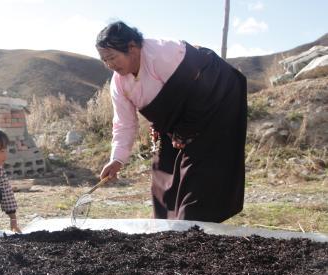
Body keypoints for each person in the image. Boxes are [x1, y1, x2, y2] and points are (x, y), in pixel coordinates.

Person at [97, 21, 247, 223]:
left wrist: (184, 131)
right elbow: (124, 124)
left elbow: (201, 87)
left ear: (132, 47)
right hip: (176, 120)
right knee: (164, 175)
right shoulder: (118, 83)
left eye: (113, 57)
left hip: (214, 100)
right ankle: (168, 233)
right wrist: (117, 159)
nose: (110, 65)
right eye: (105, 61)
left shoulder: (164, 52)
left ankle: (194, 232)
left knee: (199, 178)